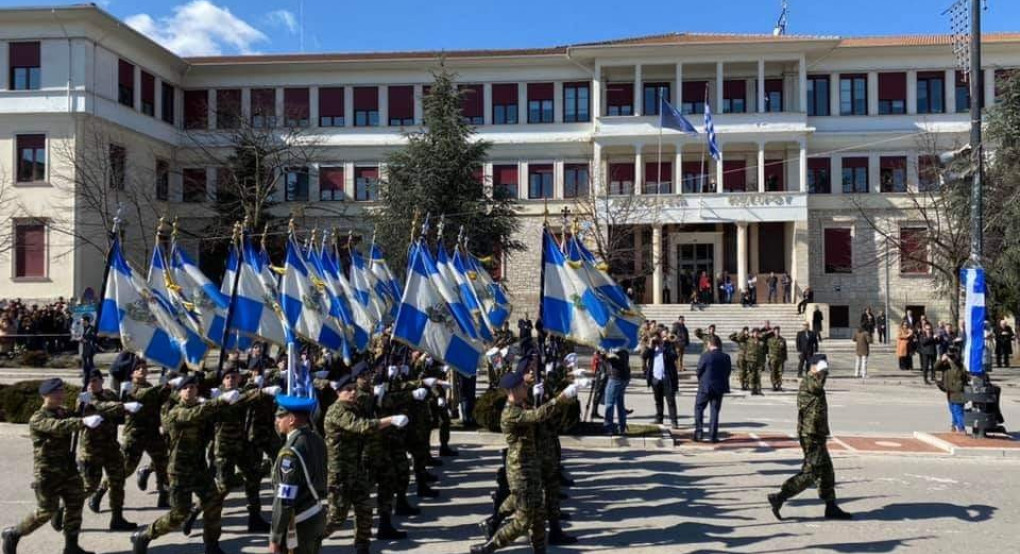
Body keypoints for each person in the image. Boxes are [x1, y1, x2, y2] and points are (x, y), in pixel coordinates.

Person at [129, 374, 266, 554]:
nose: (189, 390)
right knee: (179, 514)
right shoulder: (175, 412)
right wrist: (219, 401)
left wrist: (251, 394)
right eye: (185, 388)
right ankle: (146, 535)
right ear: (179, 392)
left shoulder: (203, 408)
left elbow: (224, 412)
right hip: (179, 471)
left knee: (213, 501)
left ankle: (211, 545)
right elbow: (193, 414)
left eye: (193, 387)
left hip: (199, 468)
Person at [470, 373, 578, 554]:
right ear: (512, 391)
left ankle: (539, 550)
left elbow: (537, 414)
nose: (525, 389)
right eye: (523, 387)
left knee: (538, 515)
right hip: (521, 470)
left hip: (532, 466)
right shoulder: (511, 413)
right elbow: (537, 416)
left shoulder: (520, 404)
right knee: (523, 520)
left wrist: (539, 390)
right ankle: (489, 548)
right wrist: (562, 398)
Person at [2, 378, 102, 554]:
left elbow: (79, 417)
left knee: (75, 505)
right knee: (46, 512)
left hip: (68, 470)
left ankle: (71, 546)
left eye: (62, 391)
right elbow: (58, 427)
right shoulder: (38, 418)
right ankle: (14, 533)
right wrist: (83, 422)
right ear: (45, 395)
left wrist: (86, 404)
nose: (61, 395)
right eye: (57, 392)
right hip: (48, 473)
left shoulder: (63, 412)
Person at [322, 370, 406, 553]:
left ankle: (362, 546)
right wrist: (390, 420)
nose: (352, 392)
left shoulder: (353, 408)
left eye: (353, 389)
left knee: (364, 508)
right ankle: (306, 541)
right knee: (336, 517)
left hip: (356, 468)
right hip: (341, 472)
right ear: (338, 392)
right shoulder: (336, 411)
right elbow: (361, 426)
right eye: (347, 389)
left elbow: (367, 415)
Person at [767, 355, 852, 521]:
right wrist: (822, 372)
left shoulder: (813, 379)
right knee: (811, 473)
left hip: (817, 433)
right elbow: (817, 386)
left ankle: (831, 506)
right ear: (813, 366)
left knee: (827, 471)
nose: (824, 369)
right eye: (822, 366)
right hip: (810, 434)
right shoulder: (809, 381)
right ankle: (780, 497)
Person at [79, 370, 137, 531]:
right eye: (88, 381)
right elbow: (102, 407)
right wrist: (122, 405)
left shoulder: (110, 394)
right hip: (91, 450)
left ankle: (117, 518)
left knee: (117, 482)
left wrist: (127, 395)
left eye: (95, 380)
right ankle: (63, 509)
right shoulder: (83, 399)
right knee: (89, 486)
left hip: (111, 447)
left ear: (102, 381)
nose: (92, 383)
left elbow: (120, 413)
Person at [269, 401, 328, 554]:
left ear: (291, 419)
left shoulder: (290, 453)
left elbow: (285, 499)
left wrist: (275, 538)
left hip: (299, 523)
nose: (276, 421)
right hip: (316, 513)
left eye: (279, 417)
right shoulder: (316, 438)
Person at [694, 336, 731, 442]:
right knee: (714, 411)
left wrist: (701, 381)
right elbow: (727, 372)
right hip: (719, 387)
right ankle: (713, 436)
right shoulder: (726, 357)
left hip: (705, 387)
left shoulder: (706, 356)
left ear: (710, 344)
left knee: (699, 408)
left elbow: (699, 370)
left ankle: (699, 433)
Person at [643, 331, 679, 428]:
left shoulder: (668, 346)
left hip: (667, 377)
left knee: (670, 400)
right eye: (654, 338)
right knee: (658, 400)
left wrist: (664, 347)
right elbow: (644, 356)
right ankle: (659, 418)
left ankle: (674, 421)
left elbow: (674, 356)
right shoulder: (652, 348)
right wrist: (650, 346)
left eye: (657, 338)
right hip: (656, 377)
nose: (656, 340)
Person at [935, 348, 968, 433]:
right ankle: (954, 426)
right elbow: (936, 367)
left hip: (958, 392)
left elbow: (958, 375)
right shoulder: (945, 365)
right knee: (953, 410)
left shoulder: (959, 366)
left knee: (958, 411)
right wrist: (941, 360)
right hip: (949, 391)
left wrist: (952, 362)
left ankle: (961, 428)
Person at [603, 349, 631, 435]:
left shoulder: (615, 351)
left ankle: (608, 428)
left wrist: (604, 355)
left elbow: (610, 360)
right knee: (620, 403)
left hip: (616, 378)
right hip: (624, 378)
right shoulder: (624, 349)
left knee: (609, 403)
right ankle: (622, 427)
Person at [766, 326, 788, 392]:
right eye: (775, 331)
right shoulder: (770, 340)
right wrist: (769, 357)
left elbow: (785, 350)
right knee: (773, 372)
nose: (777, 332)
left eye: (778, 331)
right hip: (773, 358)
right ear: (774, 332)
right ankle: (773, 385)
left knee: (780, 372)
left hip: (780, 358)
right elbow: (767, 349)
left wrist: (785, 358)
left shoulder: (783, 340)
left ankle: (779, 385)